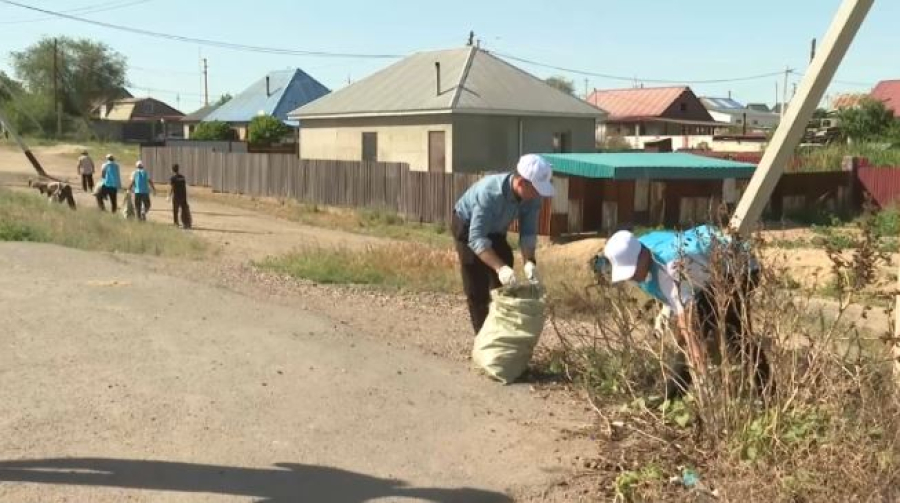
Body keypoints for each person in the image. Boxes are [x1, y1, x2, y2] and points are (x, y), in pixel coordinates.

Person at [600, 226, 770, 399]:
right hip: (702, 269)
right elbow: (672, 288)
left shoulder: (671, 265)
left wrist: (702, 377)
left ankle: (766, 394)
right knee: (691, 336)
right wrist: (668, 306)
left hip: (739, 267)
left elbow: (689, 326)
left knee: (733, 333)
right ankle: (673, 397)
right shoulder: (643, 244)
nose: (632, 277)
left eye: (633, 270)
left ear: (642, 256)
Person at [452, 154, 555, 334]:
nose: (538, 195)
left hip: (496, 230)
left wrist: (530, 262)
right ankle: (483, 340)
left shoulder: (532, 197)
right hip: (467, 226)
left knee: (506, 277)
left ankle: (501, 330)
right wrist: (500, 268)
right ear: (521, 182)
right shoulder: (489, 193)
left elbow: (528, 232)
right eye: (536, 189)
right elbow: (477, 239)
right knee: (477, 286)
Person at [168, 164, 191, 228]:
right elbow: (184, 187)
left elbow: (172, 188)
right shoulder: (182, 177)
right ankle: (186, 224)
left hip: (176, 197)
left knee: (175, 211)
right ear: (178, 169)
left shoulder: (172, 178)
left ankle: (176, 223)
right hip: (183, 196)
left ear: (172, 170)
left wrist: (169, 196)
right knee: (184, 210)